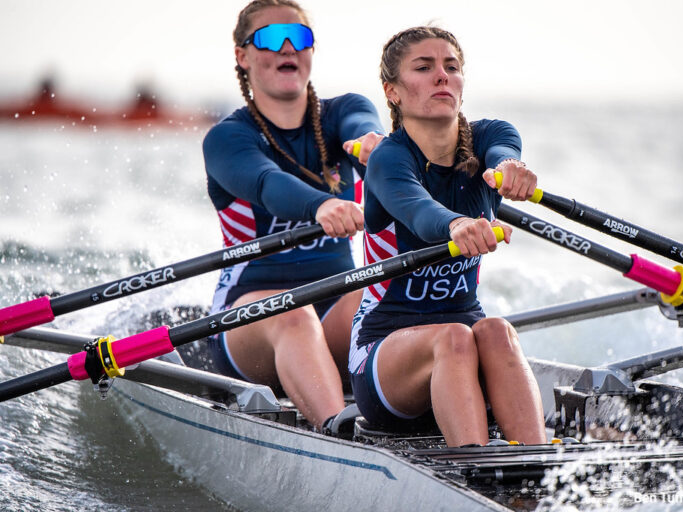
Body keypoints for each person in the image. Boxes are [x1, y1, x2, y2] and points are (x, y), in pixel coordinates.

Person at [349, 26, 547, 447]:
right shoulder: (388, 158)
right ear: (394, 92)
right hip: (384, 355)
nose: (442, 76)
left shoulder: (492, 135)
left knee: (495, 329)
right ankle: (475, 467)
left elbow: (503, 153)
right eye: (424, 68)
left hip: (466, 344)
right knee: (455, 336)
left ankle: (537, 463)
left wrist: (510, 171)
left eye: (451, 67)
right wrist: (458, 225)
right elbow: (420, 211)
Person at [201, 0, 384, 431]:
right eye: (269, 37)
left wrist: (375, 149)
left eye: (299, 37)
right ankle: (337, 429)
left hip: (336, 307)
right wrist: (321, 205)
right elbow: (266, 183)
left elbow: (363, 126)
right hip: (249, 319)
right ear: (242, 56)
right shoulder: (228, 138)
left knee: (391, 287)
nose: (287, 46)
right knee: (294, 314)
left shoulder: (343, 114)